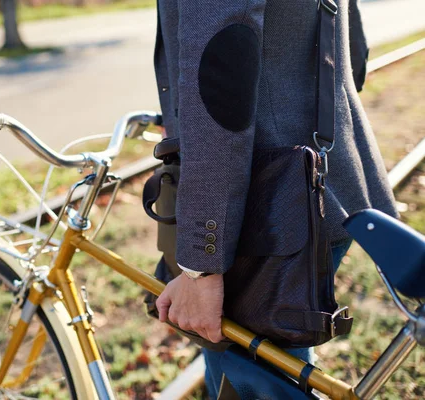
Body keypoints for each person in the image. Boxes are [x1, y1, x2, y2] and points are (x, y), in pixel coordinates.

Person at [151, 0, 398, 398]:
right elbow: (354, 50)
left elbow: (222, 72)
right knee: (280, 374)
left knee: (252, 379)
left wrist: (201, 266)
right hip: (331, 176)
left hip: (261, 206)